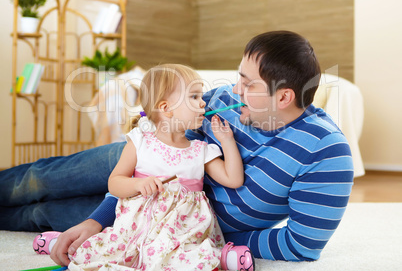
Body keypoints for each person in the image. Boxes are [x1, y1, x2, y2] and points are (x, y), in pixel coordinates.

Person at [0, 31, 354, 266]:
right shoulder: (226, 100)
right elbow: (161, 136)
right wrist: (100, 218)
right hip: (136, 170)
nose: (234, 88)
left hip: (167, 226)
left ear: (284, 96)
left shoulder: (325, 154)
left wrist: (213, 238)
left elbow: (301, 245)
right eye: (238, 76)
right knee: (36, 180)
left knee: (39, 216)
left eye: (248, 83)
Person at [62, 63, 253, 270]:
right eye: (194, 97)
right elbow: (115, 183)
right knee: (105, 251)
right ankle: (62, 243)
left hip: (180, 233)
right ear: (166, 109)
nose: (203, 104)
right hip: (136, 230)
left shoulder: (201, 150)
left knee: (182, 258)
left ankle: (224, 257)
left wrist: (227, 141)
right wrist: (139, 184)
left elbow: (234, 179)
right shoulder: (139, 142)